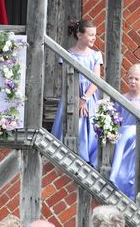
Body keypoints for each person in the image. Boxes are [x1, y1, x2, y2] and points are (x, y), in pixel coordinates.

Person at [51, 19, 103, 168]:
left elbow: (96, 80)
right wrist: (76, 98)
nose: (94, 38)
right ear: (79, 35)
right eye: (91, 34)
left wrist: (85, 99)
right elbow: (65, 80)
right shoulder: (67, 54)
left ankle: (89, 160)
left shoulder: (95, 55)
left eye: (95, 35)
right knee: (69, 122)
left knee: (89, 123)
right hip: (71, 95)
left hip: (89, 97)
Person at [109, 63, 140, 199]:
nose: (132, 81)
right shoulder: (122, 98)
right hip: (121, 139)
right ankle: (115, 178)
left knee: (131, 130)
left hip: (138, 138)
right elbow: (115, 121)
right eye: (130, 78)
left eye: (136, 79)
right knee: (125, 130)